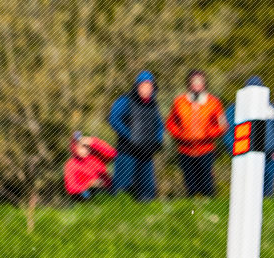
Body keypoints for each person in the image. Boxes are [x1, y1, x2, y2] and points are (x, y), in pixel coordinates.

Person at [165, 69, 227, 197]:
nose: (197, 84)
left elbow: (223, 126)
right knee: (190, 186)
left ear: (205, 83)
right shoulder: (179, 101)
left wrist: (208, 134)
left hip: (206, 149)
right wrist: (180, 135)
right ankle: (191, 207)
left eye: (200, 81)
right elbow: (170, 123)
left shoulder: (214, 102)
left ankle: (210, 205)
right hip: (185, 149)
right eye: (194, 81)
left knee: (207, 185)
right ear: (189, 83)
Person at [224, 76, 274, 196]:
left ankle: (268, 207)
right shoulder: (235, 109)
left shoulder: (271, 108)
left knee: (268, 190)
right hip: (244, 155)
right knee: (247, 190)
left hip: (270, 155)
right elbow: (227, 132)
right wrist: (234, 150)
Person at [107, 70, 163, 202]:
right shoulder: (125, 101)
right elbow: (113, 119)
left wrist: (158, 140)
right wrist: (130, 136)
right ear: (137, 86)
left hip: (146, 152)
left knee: (147, 190)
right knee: (122, 188)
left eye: (149, 86)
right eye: (142, 85)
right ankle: (118, 209)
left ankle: (146, 209)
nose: (146, 89)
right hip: (127, 152)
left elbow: (159, 124)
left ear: (153, 88)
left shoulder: (153, 104)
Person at [63, 132, 115, 201]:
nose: (85, 149)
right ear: (74, 147)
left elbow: (113, 154)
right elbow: (71, 188)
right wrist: (90, 184)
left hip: (108, 189)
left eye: (86, 146)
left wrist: (93, 142)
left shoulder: (96, 156)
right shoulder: (71, 164)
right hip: (90, 193)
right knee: (86, 194)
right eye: (81, 146)